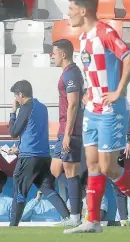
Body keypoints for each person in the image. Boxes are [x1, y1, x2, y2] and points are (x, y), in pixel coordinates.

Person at [64, 0, 130, 234]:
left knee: (108, 167)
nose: (69, 13)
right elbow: (92, 72)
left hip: (111, 110)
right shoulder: (83, 38)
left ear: (83, 10)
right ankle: (92, 220)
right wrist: (86, 92)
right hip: (92, 108)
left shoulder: (105, 32)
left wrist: (118, 91)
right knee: (93, 165)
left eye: (71, 8)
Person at [8, 80, 71, 227]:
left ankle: (13, 225)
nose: (15, 100)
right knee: (48, 188)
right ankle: (69, 218)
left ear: (20, 94)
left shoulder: (25, 108)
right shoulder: (42, 108)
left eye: (16, 96)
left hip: (29, 158)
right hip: (43, 156)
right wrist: (19, 146)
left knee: (19, 191)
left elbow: (13, 132)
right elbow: (33, 131)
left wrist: (12, 113)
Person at [50, 39, 84, 227]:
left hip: (70, 131)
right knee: (56, 169)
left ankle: (75, 217)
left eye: (54, 53)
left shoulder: (71, 73)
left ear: (63, 54)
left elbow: (73, 104)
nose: (52, 56)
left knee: (70, 172)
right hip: (63, 129)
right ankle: (78, 194)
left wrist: (68, 133)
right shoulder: (68, 73)